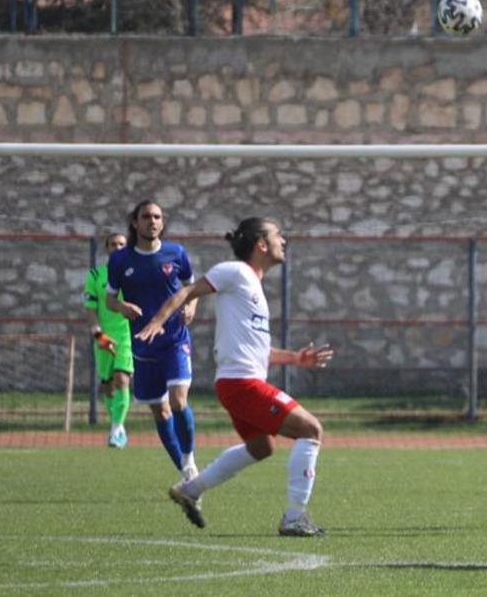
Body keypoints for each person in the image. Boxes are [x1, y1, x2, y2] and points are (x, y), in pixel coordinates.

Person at [139, 218, 334, 536]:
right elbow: (188, 290)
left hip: (239, 383)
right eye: (277, 235)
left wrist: (296, 358)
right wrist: (159, 320)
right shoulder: (235, 271)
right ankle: (295, 518)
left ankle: (191, 490)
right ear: (261, 244)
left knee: (262, 447)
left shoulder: (252, 286)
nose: (283, 240)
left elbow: (259, 350)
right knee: (311, 429)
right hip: (241, 384)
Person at [106, 201, 200, 480]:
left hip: (174, 341)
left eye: (157, 217)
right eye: (146, 217)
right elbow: (110, 299)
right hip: (143, 347)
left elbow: (191, 287)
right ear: (134, 222)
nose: (153, 221)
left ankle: (190, 460)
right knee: (160, 411)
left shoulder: (176, 253)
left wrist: (191, 306)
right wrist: (122, 307)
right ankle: (185, 474)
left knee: (178, 401)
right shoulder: (120, 260)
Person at [83, 232, 135, 449]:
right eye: (113, 244)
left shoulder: (134, 273)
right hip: (104, 337)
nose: (117, 247)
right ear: (107, 249)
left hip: (126, 336)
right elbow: (90, 309)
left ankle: (115, 430)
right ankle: (118, 425)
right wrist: (98, 334)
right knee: (107, 385)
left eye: (122, 244)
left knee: (122, 379)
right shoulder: (95, 275)